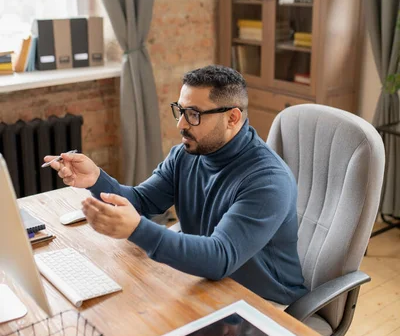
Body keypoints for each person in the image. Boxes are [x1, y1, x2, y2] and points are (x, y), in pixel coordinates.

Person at [44, 64, 307, 305]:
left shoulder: (267, 181)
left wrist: (137, 229)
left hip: (265, 302)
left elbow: (220, 258)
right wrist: (96, 179)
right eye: (180, 111)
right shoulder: (186, 154)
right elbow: (143, 202)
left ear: (232, 118)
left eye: (193, 114)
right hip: (211, 283)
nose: (181, 124)